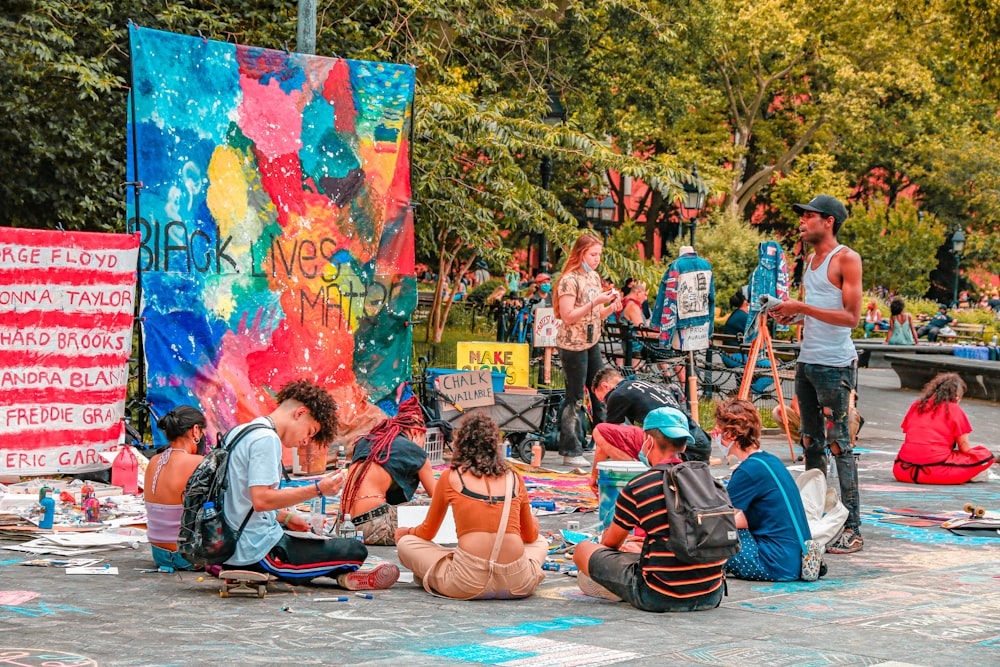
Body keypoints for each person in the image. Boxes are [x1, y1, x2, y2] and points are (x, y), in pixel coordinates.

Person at [223, 379, 398, 589]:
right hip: (256, 551)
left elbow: (240, 500)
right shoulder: (266, 440)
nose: (305, 441)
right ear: (300, 413)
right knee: (354, 550)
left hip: (229, 544)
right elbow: (261, 500)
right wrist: (318, 490)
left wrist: (287, 517)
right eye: (310, 431)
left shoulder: (240, 432)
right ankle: (341, 572)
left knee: (314, 542)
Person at [771, 194, 864, 554]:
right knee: (810, 442)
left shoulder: (847, 259)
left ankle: (853, 528)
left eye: (809, 216)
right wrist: (793, 315)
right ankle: (816, 517)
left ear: (828, 221)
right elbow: (820, 311)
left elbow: (851, 317)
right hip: (808, 361)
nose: (802, 222)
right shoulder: (811, 260)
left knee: (840, 443)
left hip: (836, 363)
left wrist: (802, 306)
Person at [572, 407, 726, 612]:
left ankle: (614, 588)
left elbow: (611, 543)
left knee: (583, 549)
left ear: (649, 441)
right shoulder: (708, 480)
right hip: (711, 593)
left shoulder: (640, 485)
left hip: (658, 594)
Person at [395, 414, 547, 600]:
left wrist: (407, 531)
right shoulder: (514, 478)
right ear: (494, 445)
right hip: (517, 583)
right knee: (541, 542)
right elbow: (530, 536)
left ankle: (440, 570)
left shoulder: (451, 477)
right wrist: (534, 522)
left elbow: (427, 533)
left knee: (406, 544)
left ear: (461, 445)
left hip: (466, 583)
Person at [715, 399, 812, 581]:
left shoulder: (747, 471)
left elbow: (719, 518)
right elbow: (746, 517)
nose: (716, 437)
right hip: (796, 561)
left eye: (718, 431)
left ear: (731, 434)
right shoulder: (769, 460)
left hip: (774, 564)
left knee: (714, 535)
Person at [553, 233, 622, 466]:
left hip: (592, 340)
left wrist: (611, 306)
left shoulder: (594, 277)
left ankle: (604, 443)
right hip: (572, 344)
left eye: (599, 254)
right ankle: (570, 450)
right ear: (581, 253)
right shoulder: (568, 280)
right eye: (593, 254)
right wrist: (595, 302)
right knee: (575, 396)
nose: (597, 259)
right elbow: (568, 316)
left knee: (601, 390)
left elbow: (595, 315)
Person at [588, 367, 710, 492]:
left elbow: (605, 438)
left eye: (603, 400)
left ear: (605, 386)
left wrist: (595, 475)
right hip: (700, 444)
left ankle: (638, 477)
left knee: (600, 430)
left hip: (674, 446)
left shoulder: (617, 393)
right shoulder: (647, 386)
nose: (605, 404)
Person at [340, 397, 437, 545]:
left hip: (344, 525)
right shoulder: (414, 451)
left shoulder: (366, 441)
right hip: (375, 527)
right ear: (417, 433)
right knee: (438, 509)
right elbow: (438, 498)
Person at [893, 373, 995, 484]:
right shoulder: (954, 409)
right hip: (936, 471)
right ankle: (969, 473)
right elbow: (965, 448)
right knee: (986, 455)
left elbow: (912, 436)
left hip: (903, 469)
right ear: (957, 397)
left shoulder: (917, 405)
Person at [144, 406, 207, 570]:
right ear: (195, 430)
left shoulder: (153, 461)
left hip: (159, 555)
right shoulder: (198, 463)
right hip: (188, 557)